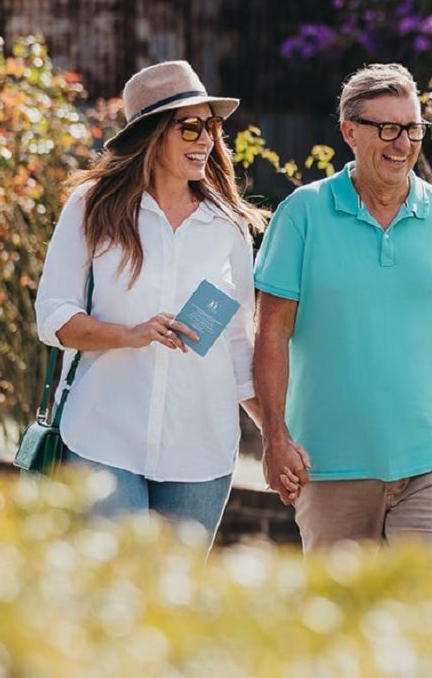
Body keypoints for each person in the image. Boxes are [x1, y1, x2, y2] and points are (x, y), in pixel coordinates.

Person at [253, 62, 432, 578]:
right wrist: (274, 438)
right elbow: (271, 332)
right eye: (388, 128)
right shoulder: (302, 214)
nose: (403, 143)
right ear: (350, 132)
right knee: (339, 617)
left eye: (413, 128)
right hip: (329, 465)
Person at [35, 60, 294, 543]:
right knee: (117, 580)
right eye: (190, 127)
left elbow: (238, 344)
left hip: (201, 449)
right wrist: (129, 335)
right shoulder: (93, 206)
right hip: (104, 437)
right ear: (151, 135)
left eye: (212, 127)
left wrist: (276, 436)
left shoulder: (228, 226)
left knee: (174, 590)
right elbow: (53, 316)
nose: (206, 140)